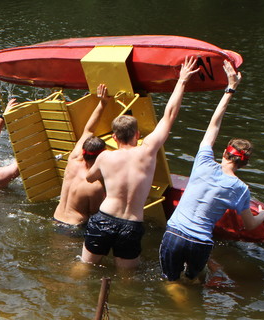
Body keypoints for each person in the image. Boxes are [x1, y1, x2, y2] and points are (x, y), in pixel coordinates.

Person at [159, 60, 264, 284]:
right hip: (201, 242)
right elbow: (249, 225)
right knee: (194, 282)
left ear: (224, 153)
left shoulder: (203, 161)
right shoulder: (241, 189)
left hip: (174, 233)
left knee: (170, 282)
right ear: (244, 165)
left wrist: (230, 89)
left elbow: (214, 124)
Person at [80, 56, 200, 269]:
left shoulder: (105, 157)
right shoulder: (147, 151)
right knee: (128, 279)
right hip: (132, 224)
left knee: (84, 267)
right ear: (137, 134)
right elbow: (169, 115)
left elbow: (89, 178)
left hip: (104, 218)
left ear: (115, 137)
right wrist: (181, 81)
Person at [52, 84, 110, 233]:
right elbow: (97, 215)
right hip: (75, 228)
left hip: (56, 219)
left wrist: (102, 103)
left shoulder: (73, 159)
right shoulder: (94, 185)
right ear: (101, 156)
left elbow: (88, 130)